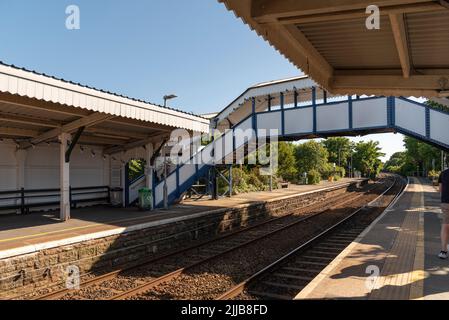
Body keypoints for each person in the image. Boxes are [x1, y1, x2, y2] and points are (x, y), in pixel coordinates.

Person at [438, 168, 449, 259]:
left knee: (445, 226)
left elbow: (440, 189)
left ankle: (443, 251)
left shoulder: (443, 173)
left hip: (446, 203)